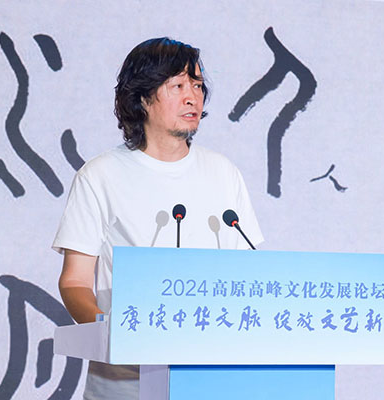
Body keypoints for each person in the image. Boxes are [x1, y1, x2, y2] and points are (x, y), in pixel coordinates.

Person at [52, 37, 263, 399]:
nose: (192, 97)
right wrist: (110, 330)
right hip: (125, 384)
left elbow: (246, 275)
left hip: (210, 380)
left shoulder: (223, 172)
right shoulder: (100, 175)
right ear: (143, 98)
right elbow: (74, 281)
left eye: (197, 85)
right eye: (178, 86)